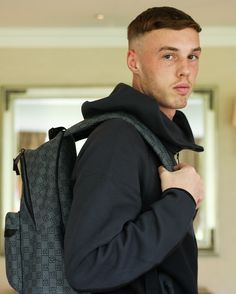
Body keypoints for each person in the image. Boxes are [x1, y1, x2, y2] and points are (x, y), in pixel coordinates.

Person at [64, 6, 204, 294]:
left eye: (192, 56)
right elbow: (88, 268)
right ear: (134, 62)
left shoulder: (148, 138)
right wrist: (181, 200)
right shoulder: (118, 139)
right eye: (168, 55)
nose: (185, 69)